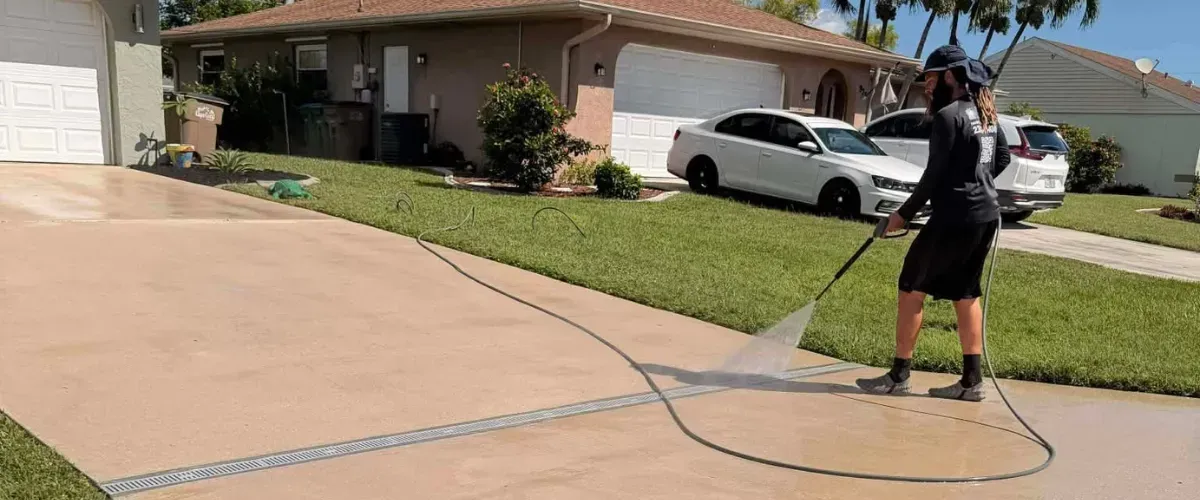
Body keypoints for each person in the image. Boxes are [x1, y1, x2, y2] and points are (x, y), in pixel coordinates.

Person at [856, 46, 1011, 402]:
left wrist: (901, 216)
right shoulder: (987, 114)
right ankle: (972, 382)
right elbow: (1000, 156)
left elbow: (932, 177)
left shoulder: (948, 117)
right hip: (985, 216)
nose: (927, 85)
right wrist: (978, 183)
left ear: (951, 77)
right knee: (965, 292)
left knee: (912, 284)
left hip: (955, 218)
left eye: (931, 78)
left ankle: (898, 376)